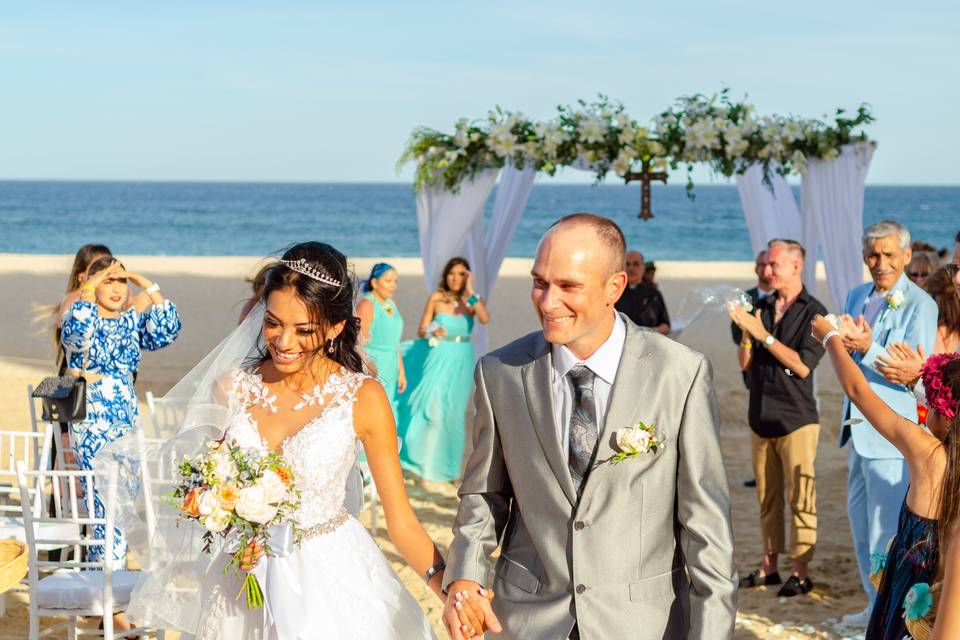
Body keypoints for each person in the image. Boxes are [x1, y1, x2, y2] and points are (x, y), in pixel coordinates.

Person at [120, 243, 490, 639]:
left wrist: (451, 590)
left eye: (303, 329)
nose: (283, 341)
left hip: (331, 584)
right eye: (273, 322)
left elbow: (401, 521)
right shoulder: (231, 390)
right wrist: (233, 534)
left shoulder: (362, 397)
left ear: (334, 327)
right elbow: (211, 492)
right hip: (241, 589)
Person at [441, 213, 737, 640]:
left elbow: (707, 530)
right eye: (539, 281)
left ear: (614, 287)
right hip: (527, 620)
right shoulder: (500, 373)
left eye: (568, 286)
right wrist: (465, 578)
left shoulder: (681, 374)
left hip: (643, 625)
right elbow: (484, 496)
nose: (546, 301)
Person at [811, 319, 960, 640]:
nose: (925, 412)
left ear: (946, 418)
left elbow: (857, 392)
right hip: (943, 581)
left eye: (930, 406)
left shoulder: (926, 451)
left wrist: (830, 338)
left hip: (912, 573)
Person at [60, 256, 181, 631]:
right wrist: (88, 285)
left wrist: (146, 284)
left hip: (126, 420)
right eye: (108, 281)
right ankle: (110, 603)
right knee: (105, 503)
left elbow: (169, 330)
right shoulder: (84, 316)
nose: (116, 288)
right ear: (92, 284)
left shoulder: (130, 321)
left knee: (122, 504)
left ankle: (106, 601)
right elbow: (73, 333)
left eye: (120, 282)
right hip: (92, 419)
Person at [835, 220, 939, 627]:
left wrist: (867, 346)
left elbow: (918, 373)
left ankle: (889, 612)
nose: (880, 263)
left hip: (893, 434)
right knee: (860, 525)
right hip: (855, 427)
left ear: (907, 256)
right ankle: (871, 602)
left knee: (885, 530)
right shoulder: (855, 295)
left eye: (889, 255)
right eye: (873, 255)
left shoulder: (921, 305)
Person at [729, 240, 827, 597]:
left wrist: (763, 335)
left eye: (773, 265)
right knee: (767, 498)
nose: (766, 272)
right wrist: (745, 333)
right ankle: (769, 566)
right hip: (760, 416)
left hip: (797, 420)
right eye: (766, 266)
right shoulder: (761, 305)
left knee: (801, 497)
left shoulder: (816, 312)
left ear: (796, 266)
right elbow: (745, 363)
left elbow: (802, 366)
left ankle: (800, 572)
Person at [397, 257, 489, 483]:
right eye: (452, 274)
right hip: (437, 356)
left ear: (467, 276)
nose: (455, 278)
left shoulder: (471, 301)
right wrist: (432, 330)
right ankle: (423, 467)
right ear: (446, 276)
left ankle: (450, 471)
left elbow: (485, 318)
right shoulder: (436, 297)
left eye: (461, 274)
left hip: (461, 357)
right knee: (430, 407)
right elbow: (421, 329)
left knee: (454, 415)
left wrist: (470, 290)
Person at [357, 262, 406, 415]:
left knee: (388, 407)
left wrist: (401, 370)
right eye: (388, 281)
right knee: (375, 409)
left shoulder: (391, 304)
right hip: (374, 364)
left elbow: (395, 341)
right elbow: (356, 342)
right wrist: (368, 364)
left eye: (395, 281)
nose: (393, 286)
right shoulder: (366, 305)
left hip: (391, 362)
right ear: (374, 282)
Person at [614, 250, 670, 335]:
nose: (631, 268)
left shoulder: (654, 294)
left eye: (636, 264)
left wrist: (650, 331)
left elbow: (666, 326)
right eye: (627, 264)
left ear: (643, 268)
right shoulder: (614, 293)